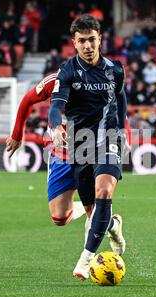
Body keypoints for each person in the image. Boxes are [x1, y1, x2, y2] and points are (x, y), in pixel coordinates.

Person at [48, 15, 127, 280]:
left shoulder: (115, 69)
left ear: (99, 39)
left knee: (104, 190)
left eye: (92, 39)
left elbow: (121, 96)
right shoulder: (68, 72)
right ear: (74, 42)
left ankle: (86, 259)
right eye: (82, 41)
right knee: (94, 211)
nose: (88, 46)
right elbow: (56, 106)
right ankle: (114, 225)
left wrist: (123, 130)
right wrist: (54, 127)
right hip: (80, 144)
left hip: (109, 139)